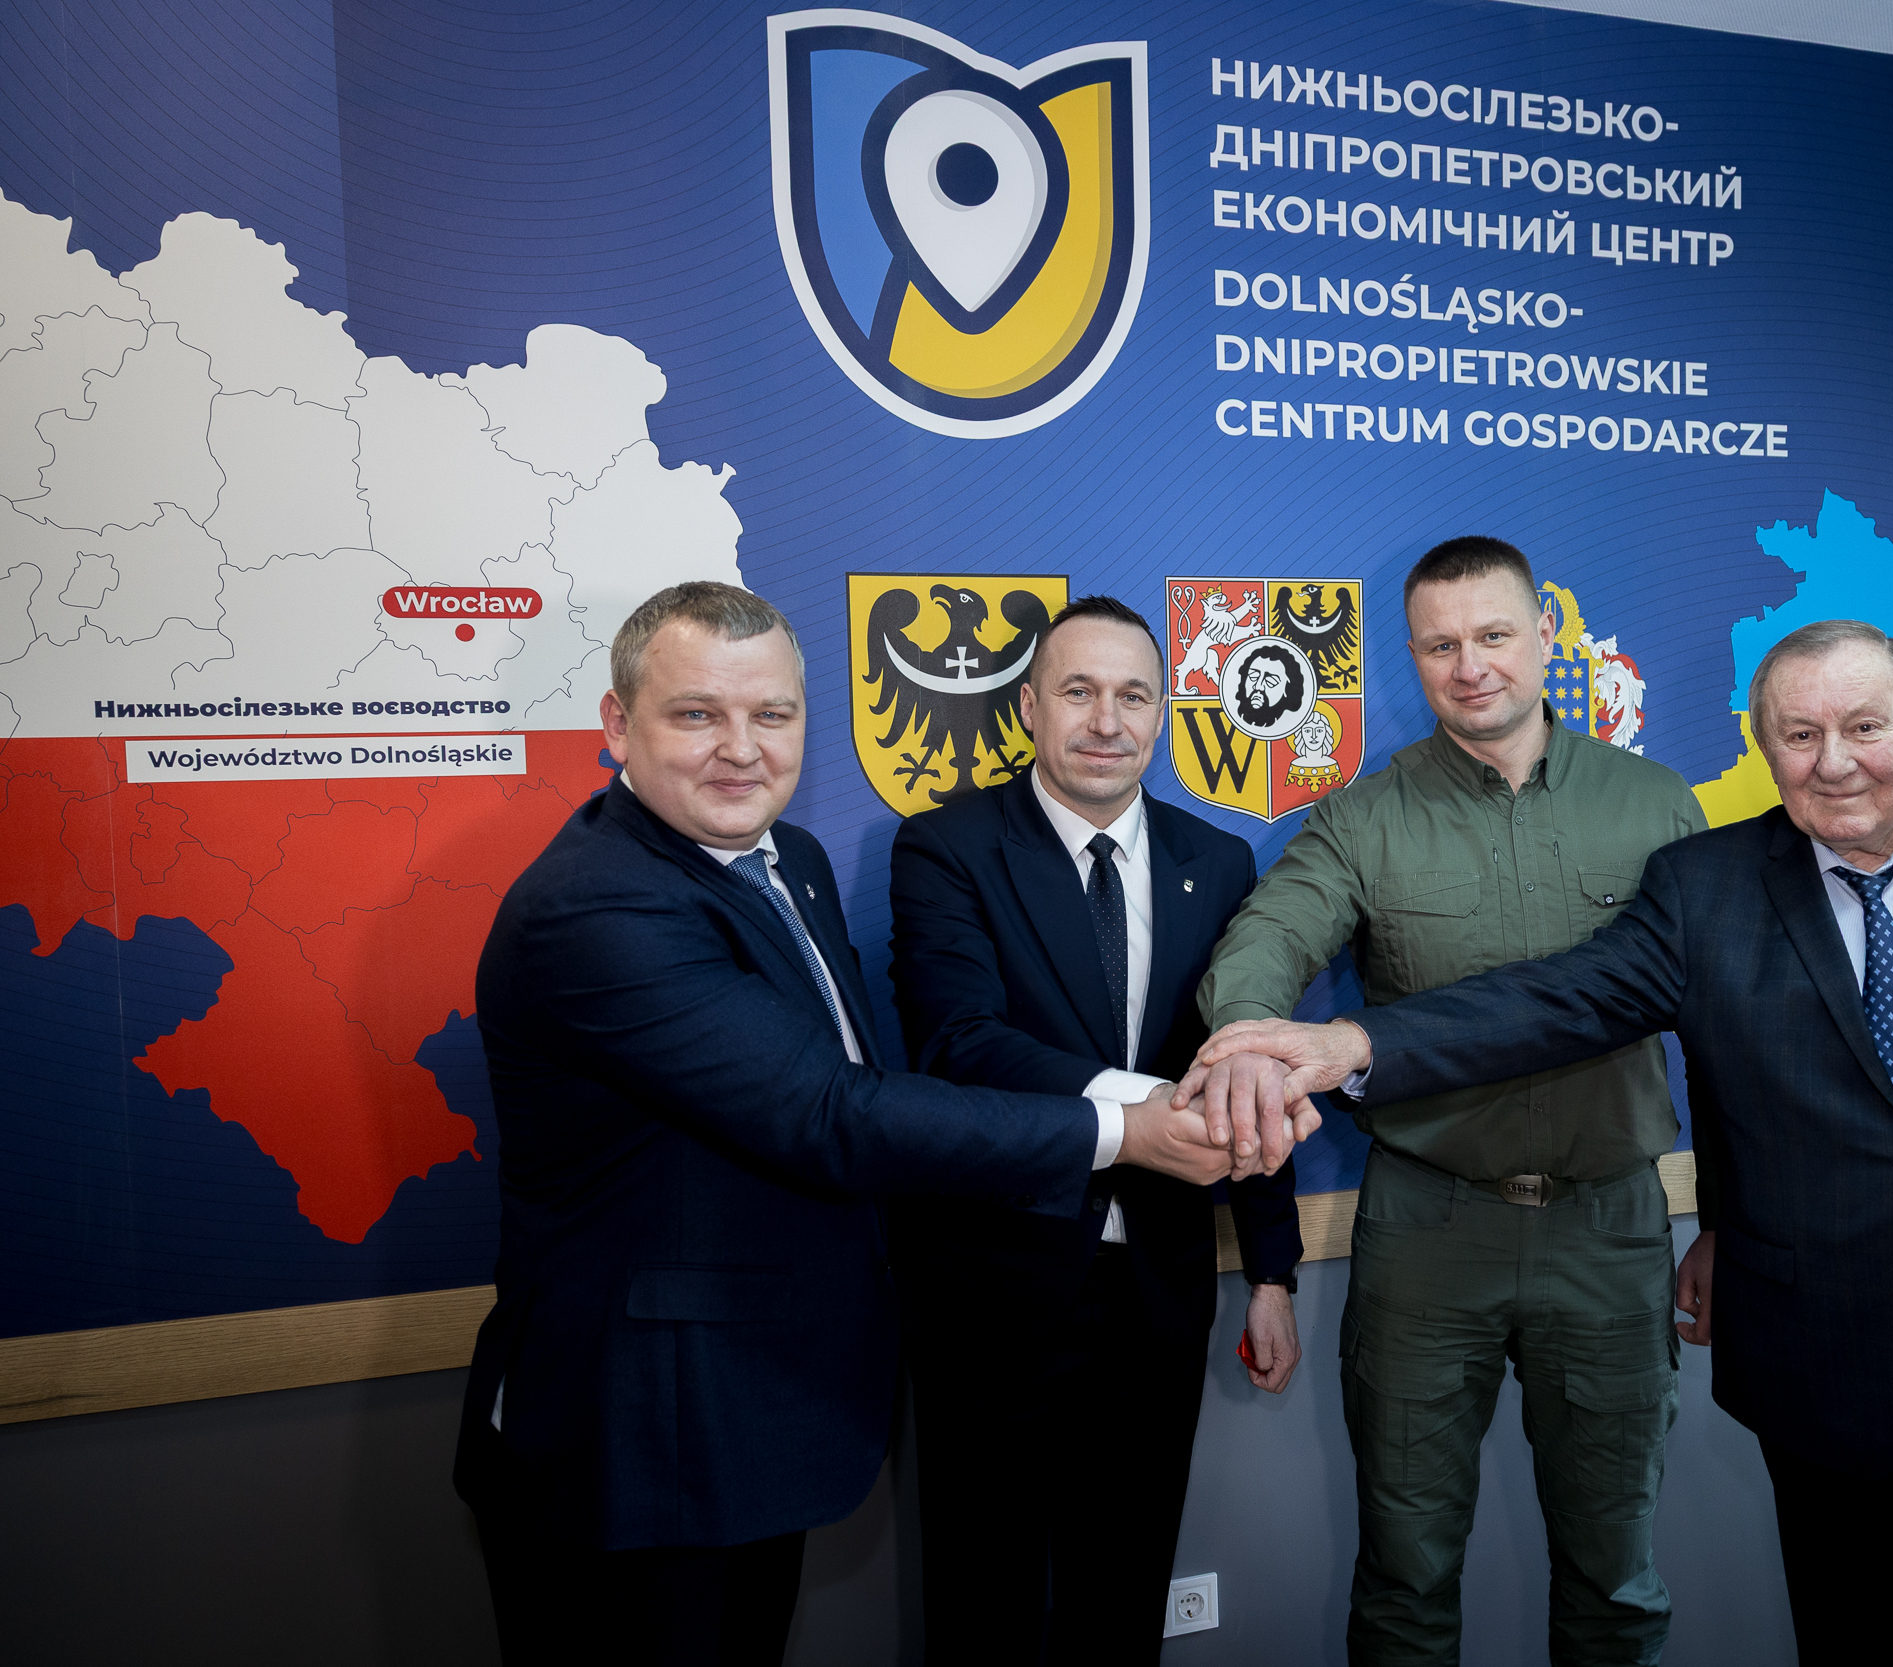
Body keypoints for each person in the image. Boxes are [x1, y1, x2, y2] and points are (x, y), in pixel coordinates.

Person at [1185, 618, 1893, 1666]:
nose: (1833, 761)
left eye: (1864, 726)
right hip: (1833, 1391)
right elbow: (1555, 1001)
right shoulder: (1707, 886)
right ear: (1762, 743)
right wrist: (1351, 1042)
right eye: (1799, 734)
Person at [451, 581, 1237, 1667]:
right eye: (697, 714)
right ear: (617, 725)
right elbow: (831, 1110)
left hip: (758, 1402)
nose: (741, 748)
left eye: (771, 714)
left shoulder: (790, 861)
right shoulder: (597, 903)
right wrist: (1125, 1128)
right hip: (637, 1432)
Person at [1192, 537, 1707, 1665]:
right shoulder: (1362, 819)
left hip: (1610, 1230)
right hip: (1428, 1233)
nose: (1469, 666)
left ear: (1544, 636)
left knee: (1616, 1577)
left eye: (1493, 635)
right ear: (1410, 656)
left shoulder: (1657, 805)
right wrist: (1248, 1041)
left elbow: (1727, 1018)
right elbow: (1265, 941)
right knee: (1405, 1577)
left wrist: (1727, 1216)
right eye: (1439, 645)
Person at [884, 595, 1305, 1663]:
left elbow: (1243, 1059)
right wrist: (1143, 1110)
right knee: (984, 1607)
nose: (1107, 720)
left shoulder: (1220, 859)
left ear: (1162, 712)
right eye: (1078, 691)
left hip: (1158, 1291)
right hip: (996, 1286)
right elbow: (960, 1041)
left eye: (1132, 695)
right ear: (1030, 706)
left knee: (1124, 1597)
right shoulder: (947, 848)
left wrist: (1271, 1273)